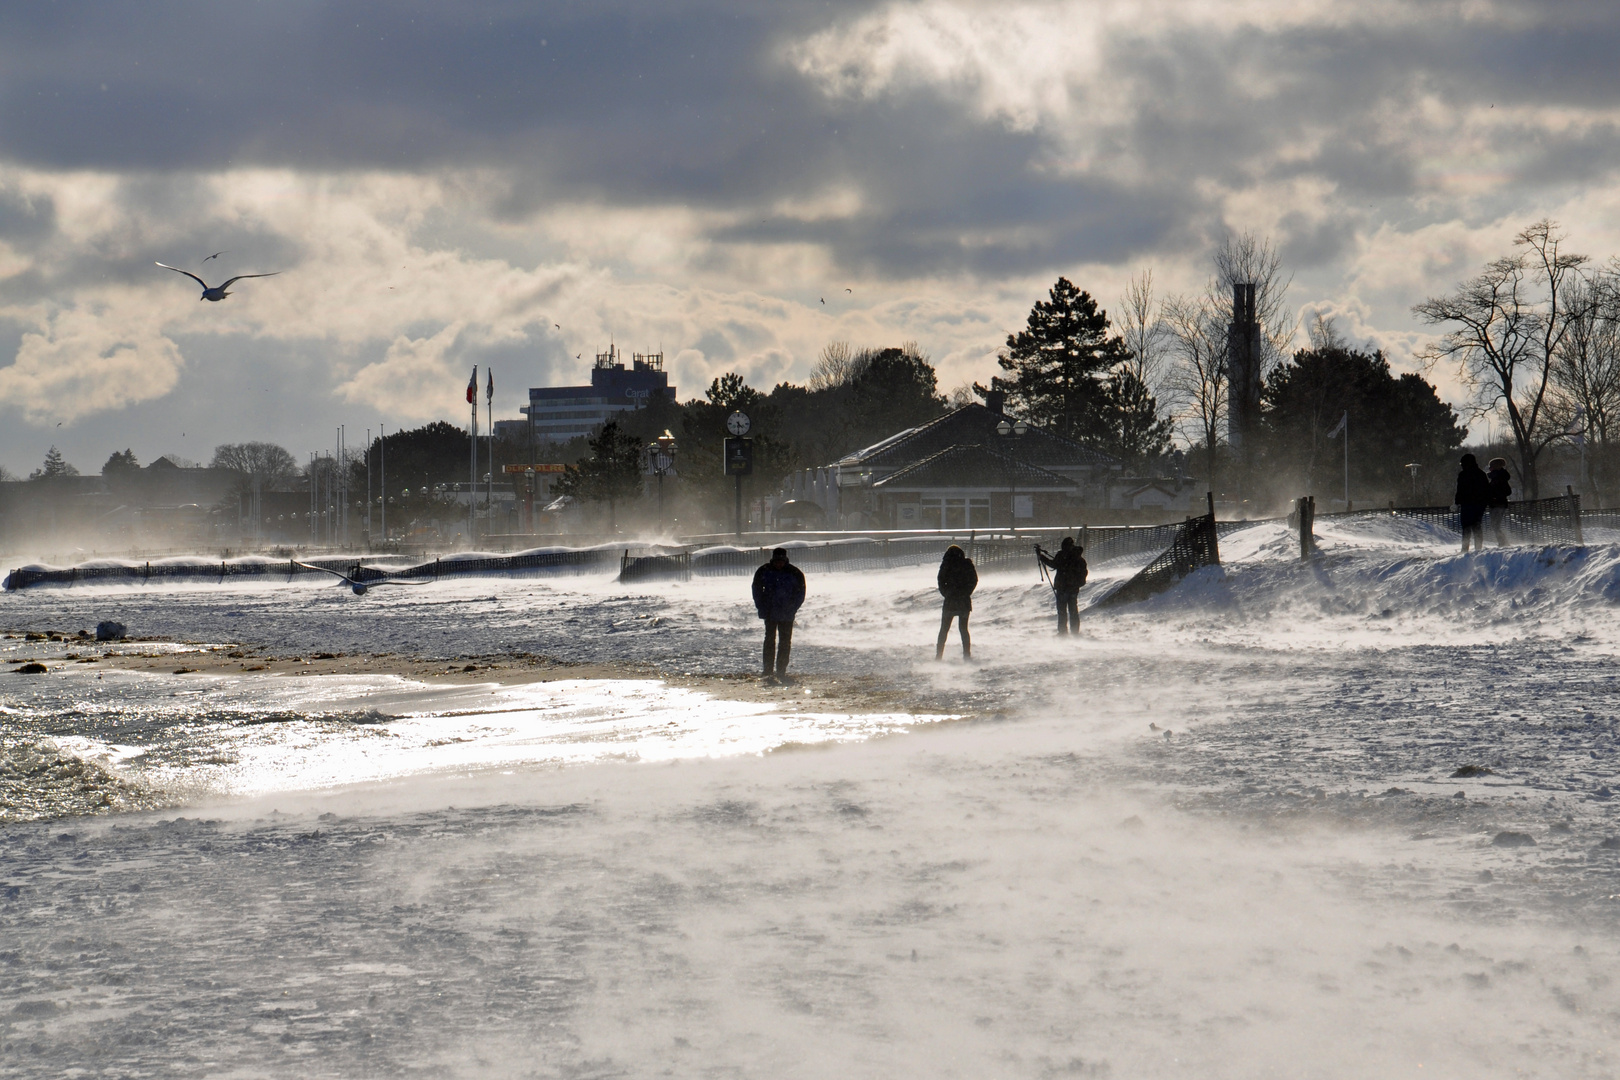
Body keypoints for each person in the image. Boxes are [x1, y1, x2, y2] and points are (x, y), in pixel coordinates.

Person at [752, 547, 806, 683]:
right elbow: (756, 590)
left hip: (787, 614)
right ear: (773, 559)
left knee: (785, 642)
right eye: (777, 561)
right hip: (769, 612)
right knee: (769, 641)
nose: (779, 564)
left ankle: (781, 670)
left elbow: (800, 593)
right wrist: (761, 606)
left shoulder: (794, 573)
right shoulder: (764, 571)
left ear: (785, 560)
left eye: (781, 561)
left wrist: (793, 608)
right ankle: (768, 670)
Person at [1036, 536, 1088, 635]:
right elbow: (1083, 572)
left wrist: (1041, 556)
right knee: (1073, 611)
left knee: (1062, 612)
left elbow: (1054, 564)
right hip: (1073, 588)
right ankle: (1075, 632)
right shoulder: (1078, 557)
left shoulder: (1062, 555)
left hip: (1062, 588)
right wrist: (1077, 583)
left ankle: (1063, 633)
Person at [935, 544, 978, 660]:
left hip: (950, 602)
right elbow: (974, 580)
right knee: (963, 629)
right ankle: (967, 655)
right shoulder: (967, 564)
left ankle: (939, 656)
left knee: (944, 629)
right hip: (963, 602)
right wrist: (966, 592)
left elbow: (940, 581)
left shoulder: (946, 565)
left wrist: (946, 593)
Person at [1455, 452, 1490, 553]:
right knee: (1476, 526)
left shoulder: (1463, 475)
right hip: (1479, 504)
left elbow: (1460, 489)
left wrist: (1457, 502)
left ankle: (1465, 548)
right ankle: (1478, 548)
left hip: (1467, 503)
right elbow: (1486, 489)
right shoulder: (1481, 474)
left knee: (1466, 527)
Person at [1486, 457, 1512, 546]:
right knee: (1494, 525)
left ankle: (1503, 542)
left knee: (1495, 525)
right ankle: (1503, 542)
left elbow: (1508, 491)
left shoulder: (1499, 478)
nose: (1489, 469)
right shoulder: (1496, 478)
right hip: (1495, 504)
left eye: (1491, 466)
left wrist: (1495, 497)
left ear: (1495, 467)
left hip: (1499, 504)